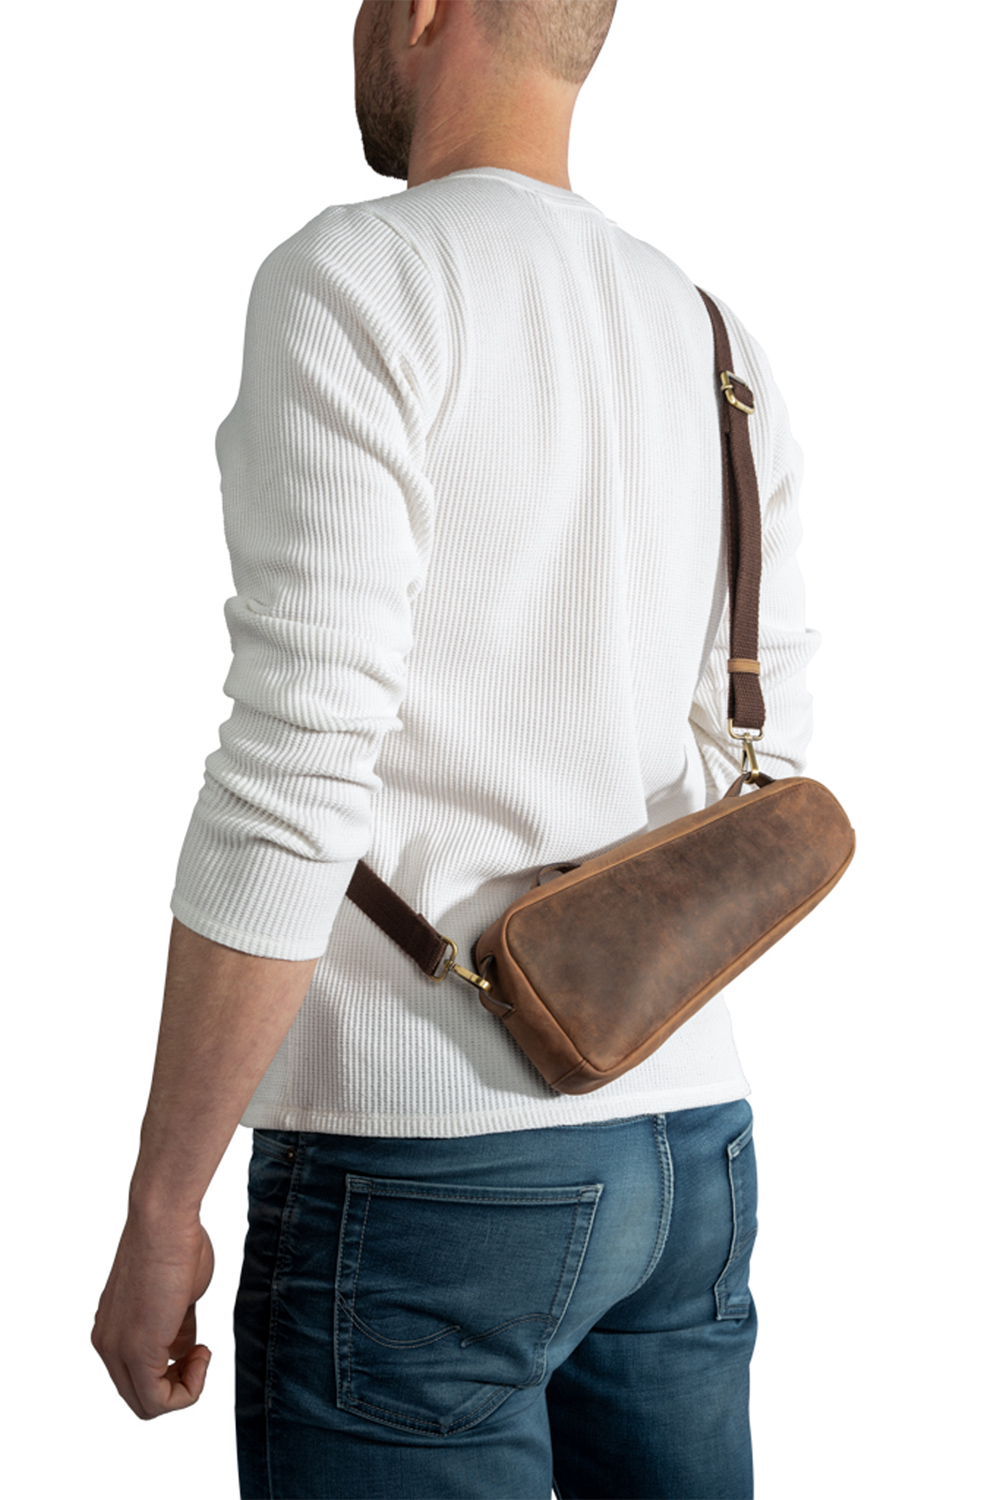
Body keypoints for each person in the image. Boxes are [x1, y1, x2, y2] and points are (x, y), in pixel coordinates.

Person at [91, 2, 819, 1496]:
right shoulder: (713, 337)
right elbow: (768, 741)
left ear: (423, 10)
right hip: (691, 1144)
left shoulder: (360, 279)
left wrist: (165, 1200)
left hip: (422, 1168)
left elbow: (298, 770)